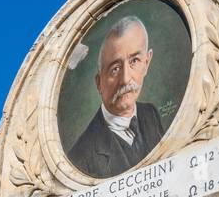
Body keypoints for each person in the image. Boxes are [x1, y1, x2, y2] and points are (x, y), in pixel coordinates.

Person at [67, 15, 165, 177]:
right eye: (115, 68)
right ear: (99, 83)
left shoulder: (150, 114)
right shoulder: (80, 157)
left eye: (134, 61)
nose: (126, 79)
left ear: (146, 63)